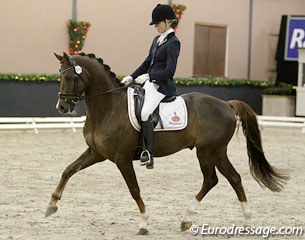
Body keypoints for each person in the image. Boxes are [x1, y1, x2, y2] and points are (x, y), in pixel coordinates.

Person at [121, 4, 181, 169]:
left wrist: (149, 76)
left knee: (146, 112)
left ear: (168, 21)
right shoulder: (157, 40)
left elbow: (170, 71)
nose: (155, 26)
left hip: (162, 86)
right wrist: (131, 77)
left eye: (158, 23)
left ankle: (148, 152)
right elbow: (147, 63)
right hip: (148, 83)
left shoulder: (174, 43)